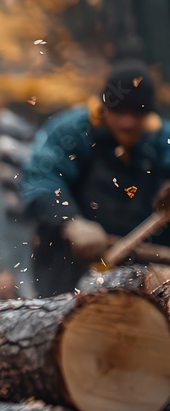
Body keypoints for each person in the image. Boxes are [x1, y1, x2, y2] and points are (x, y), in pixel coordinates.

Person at [21, 60, 170, 296]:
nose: (128, 122)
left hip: (149, 271)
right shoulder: (72, 131)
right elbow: (41, 180)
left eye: (137, 113)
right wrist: (69, 221)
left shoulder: (162, 138)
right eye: (120, 111)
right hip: (71, 266)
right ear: (104, 108)